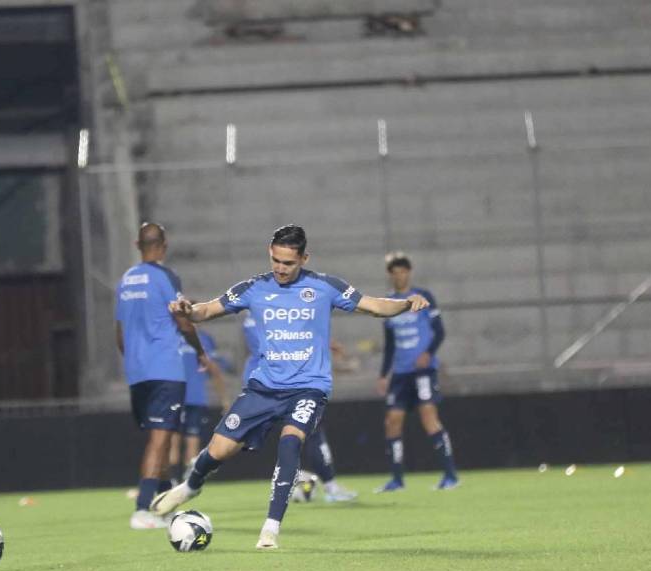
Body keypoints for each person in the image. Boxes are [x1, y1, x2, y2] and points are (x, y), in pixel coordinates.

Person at [150, 224, 429, 549]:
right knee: (218, 451)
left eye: (288, 263)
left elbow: (375, 306)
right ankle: (191, 486)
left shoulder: (324, 286)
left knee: (291, 442)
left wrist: (407, 303)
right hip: (264, 388)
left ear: (304, 258)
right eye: (276, 260)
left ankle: (270, 529)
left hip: (308, 388)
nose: (280, 269)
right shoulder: (254, 287)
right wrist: (187, 309)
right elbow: (205, 311)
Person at [115, 222, 210, 530]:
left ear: (137, 244)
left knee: (163, 435)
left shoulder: (125, 280)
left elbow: (119, 334)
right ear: (164, 245)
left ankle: (166, 504)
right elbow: (182, 322)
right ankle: (142, 508)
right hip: (165, 368)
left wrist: (134, 359)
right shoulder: (166, 277)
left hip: (137, 370)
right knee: (161, 439)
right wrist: (199, 350)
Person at [243, 318, 357, 503]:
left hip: (261, 382)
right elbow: (280, 346)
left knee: (244, 437)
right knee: (312, 431)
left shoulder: (256, 311)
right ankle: (329, 487)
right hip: (280, 381)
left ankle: (197, 474)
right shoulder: (270, 313)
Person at [375, 252, 459, 492]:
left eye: (403, 271)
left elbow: (440, 331)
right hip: (400, 374)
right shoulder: (389, 304)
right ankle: (397, 479)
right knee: (392, 421)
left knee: (429, 418)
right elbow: (389, 344)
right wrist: (383, 374)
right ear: (390, 275)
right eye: (395, 272)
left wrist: (428, 353)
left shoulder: (424, 297)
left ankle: (450, 475)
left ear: (409, 273)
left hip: (422, 371)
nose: (399, 275)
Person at [169, 327, 229, 484]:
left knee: (173, 442)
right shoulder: (204, 339)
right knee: (192, 442)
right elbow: (214, 370)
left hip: (175, 396)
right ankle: (187, 484)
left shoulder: (171, 336)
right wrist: (224, 399)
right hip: (196, 398)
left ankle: (172, 482)